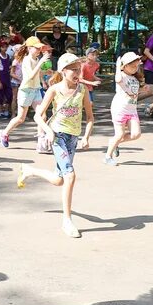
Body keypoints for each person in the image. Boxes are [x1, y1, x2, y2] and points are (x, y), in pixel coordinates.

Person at [16, 53, 95, 238]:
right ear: (63, 71)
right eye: (73, 69)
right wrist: (48, 131)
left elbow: (90, 117)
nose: (77, 72)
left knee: (59, 180)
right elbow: (37, 115)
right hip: (58, 136)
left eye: (79, 69)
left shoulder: (82, 90)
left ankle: (29, 171)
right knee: (70, 176)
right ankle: (67, 221)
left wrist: (86, 137)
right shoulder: (54, 90)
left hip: (73, 138)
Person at [0, 36, 48, 147]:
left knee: (41, 115)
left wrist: (46, 75)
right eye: (37, 48)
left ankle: (41, 141)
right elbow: (30, 76)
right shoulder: (26, 60)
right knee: (21, 118)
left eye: (40, 48)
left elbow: (38, 73)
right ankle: (4, 133)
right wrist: (41, 62)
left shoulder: (36, 59)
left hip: (36, 90)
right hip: (26, 91)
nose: (39, 50)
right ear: (29, 48)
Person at [104, 52, 144, 166]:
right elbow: (117, 80)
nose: (135, 68)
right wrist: (117, 67)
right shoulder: (121, 75)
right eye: (132, 66)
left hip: (132, 109)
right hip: (120, 108)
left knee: (136, 134)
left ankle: (114, 143)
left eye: (136, 66)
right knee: (119, 134)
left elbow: (133, 92)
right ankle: (107, 156)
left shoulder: (135, 78)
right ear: (125, 66)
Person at [0, 37, 13, 118]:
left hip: (7, 77)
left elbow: (7, 66)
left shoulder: (8, 56)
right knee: (0, 95)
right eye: (3, 47)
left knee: (9, 94)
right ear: (0, 48)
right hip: (0, 76)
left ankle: (6, 110)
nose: (4, 48)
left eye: (6, 47)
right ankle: (1, 111)